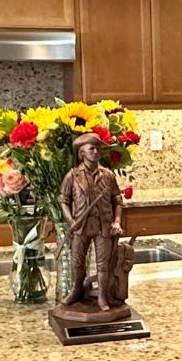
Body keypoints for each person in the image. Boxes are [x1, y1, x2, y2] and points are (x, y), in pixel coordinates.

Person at [57, 133, 125, 311]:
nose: (96, 152)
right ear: (82, 153)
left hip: (104, 226)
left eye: (98, 149)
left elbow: (117, 200)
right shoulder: (72, 176)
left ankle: (102, 297)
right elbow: (63, 200)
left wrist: (117, 222)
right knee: (77, 261)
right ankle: (77, 290)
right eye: (91, 149)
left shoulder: (108, 175)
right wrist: (71, 220)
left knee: (103, 264)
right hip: (81, 226)